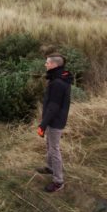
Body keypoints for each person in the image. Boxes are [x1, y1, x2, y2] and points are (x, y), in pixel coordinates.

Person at [36, 54, 72, 192]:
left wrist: (43, 124)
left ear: (54, 65)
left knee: (54, 149)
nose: (45, 65)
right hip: (55, 118)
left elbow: (54, 106)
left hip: (55, 120)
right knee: (49, 144)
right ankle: (50, 168)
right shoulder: (60, 77)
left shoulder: (57, 82)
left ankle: (58, 181)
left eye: (47, 63)